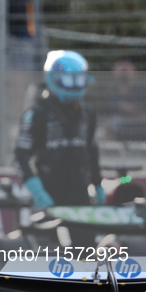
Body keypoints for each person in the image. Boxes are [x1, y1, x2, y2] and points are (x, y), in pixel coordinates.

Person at [14, 50, 104, 210]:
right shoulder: (36, 115)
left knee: (87, 235)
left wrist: (98, 184)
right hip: (49, 195)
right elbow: (20, 156)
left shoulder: (88, 114)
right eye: (69, 80)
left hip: (80, 195)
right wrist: (36, 190)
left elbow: (92, 150)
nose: (75, 86)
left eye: (79, 80)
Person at [106, 59, 146, 141]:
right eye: (120, 65)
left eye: (127, 66)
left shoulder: (143, 89)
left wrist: (132, 110)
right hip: (119, 131)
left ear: (134, 71)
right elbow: (108, 117)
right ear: (114, 71)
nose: (123, 68)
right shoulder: (110, 92)